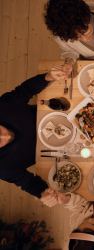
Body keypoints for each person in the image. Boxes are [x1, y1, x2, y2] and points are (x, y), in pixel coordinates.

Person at [0, 67, 67, 198]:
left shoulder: (2, 106)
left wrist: (48, 77)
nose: (5, 136)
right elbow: (27, 182)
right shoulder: (2, 168)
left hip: (59, 114)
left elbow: (25, 90)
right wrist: (43, 192)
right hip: (60, 151)